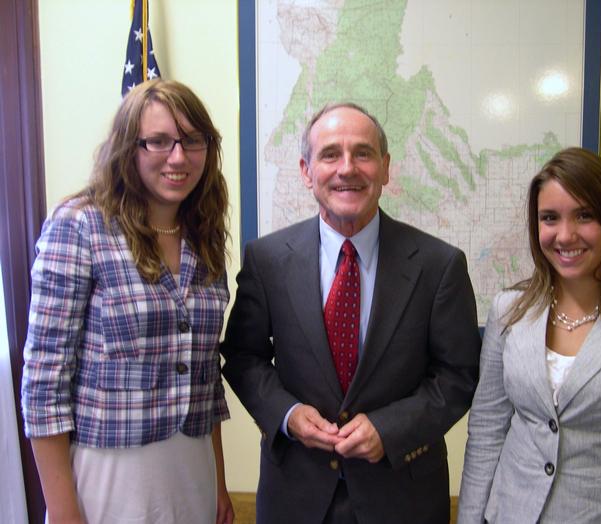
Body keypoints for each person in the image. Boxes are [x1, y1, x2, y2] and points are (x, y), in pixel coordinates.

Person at [220, 102, 481, 523]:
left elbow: (458, 376)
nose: (347, 168)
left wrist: (390, 429)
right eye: (330, 154)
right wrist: (286, 414)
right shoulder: (267, 260)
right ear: (306, 171)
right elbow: (243, 357)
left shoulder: (439, 265)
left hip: (403, 499)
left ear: (385, 168)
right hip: (295, 498)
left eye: (363, 153)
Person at [21, 79, 234, 524]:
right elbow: (44, 384)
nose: (178, 157)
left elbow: (205, 374)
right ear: (127, 148)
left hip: (193, 473)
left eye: (192, 140)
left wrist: (219, 481)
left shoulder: (204, 235)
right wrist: (62, 510)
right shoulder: (80, 225)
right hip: (109, 479)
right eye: (158, 141)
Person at [457, 147, 601, 523]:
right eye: (549, 218)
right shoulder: (508, 309)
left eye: (584, 215)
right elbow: (487, 430)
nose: (565, 235)